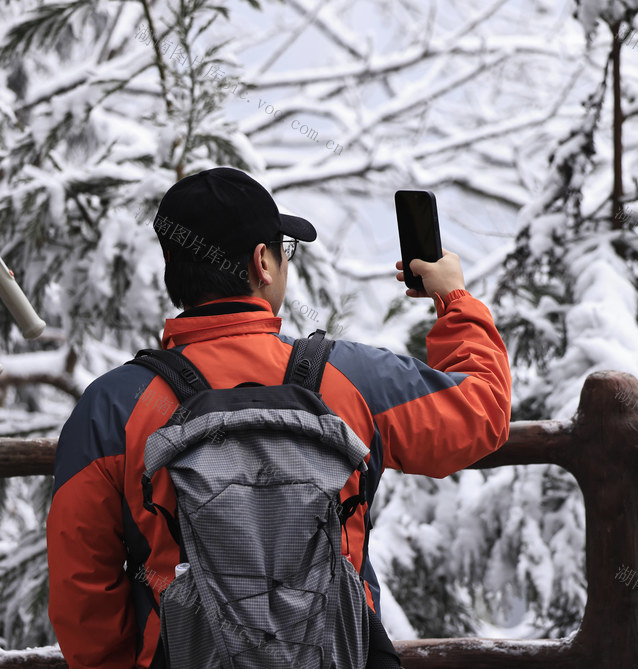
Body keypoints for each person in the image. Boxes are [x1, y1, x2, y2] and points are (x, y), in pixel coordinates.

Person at [46, 167, 512, 668]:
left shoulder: (112, 406)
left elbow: (81, 585)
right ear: (261, 262)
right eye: (283, 249)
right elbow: (482, 411)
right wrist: (453, 299)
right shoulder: (349, 377)